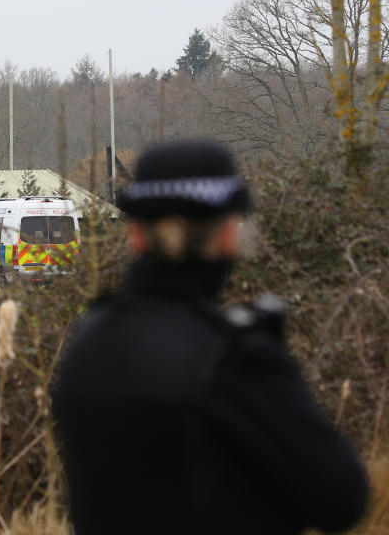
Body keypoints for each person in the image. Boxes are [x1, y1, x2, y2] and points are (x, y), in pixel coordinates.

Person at [51, 140, 369, 535]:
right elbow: (342, 497)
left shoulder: (87, 342)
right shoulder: (235, 356)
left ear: (136, 236)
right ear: (227, 237)